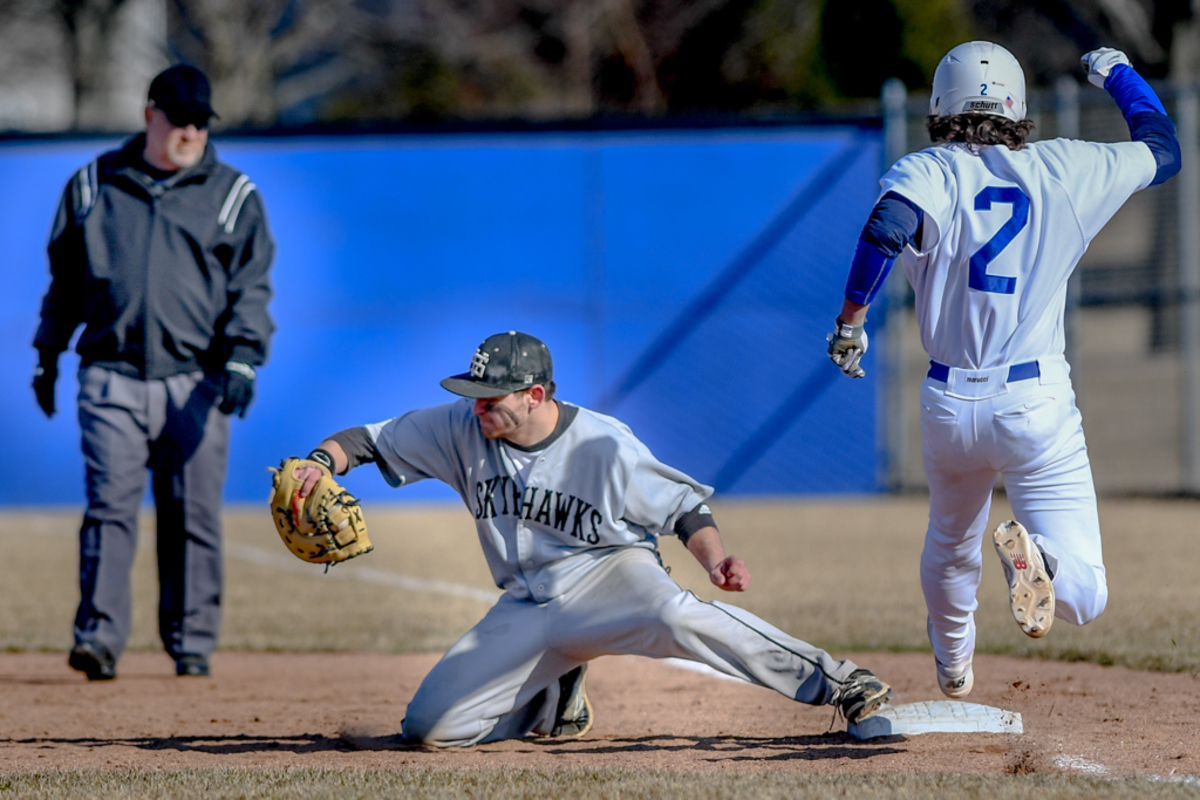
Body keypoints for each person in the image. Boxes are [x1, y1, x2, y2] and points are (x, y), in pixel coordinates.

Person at [286, 331, 891, 746]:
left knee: (682, 619)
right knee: (430, 730)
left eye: (490, 399)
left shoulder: (604, 443)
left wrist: (714, 560)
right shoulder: (458, 427)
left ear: (536, 395)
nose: (476, 410)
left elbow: (685, 507)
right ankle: (551, 700)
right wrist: (319, 461)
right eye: (471, 398)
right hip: (527, 602)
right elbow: (367, 439)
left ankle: (842, 683)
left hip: (610, 577)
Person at [825, 43, 1180, 698]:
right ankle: (1042, 563)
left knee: (951, 537)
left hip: (949, 400)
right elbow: (1164, 148)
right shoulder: (1067, 165)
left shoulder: (929, 167)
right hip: (1034, 400)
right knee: (1085, 595)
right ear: (1018, 104)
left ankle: (954, 661)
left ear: (939, 105)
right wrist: (1116, 72)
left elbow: (886, 228)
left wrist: (851, 321)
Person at [33, 64, 276, 681]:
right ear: (150, 115)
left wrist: (244, 357)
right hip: (110, 374)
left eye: (200, 122)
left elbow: (250, 288)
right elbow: (64, 282)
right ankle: (98, 641)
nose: (190, 132)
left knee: (192, 515)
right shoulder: (94, 184)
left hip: (196, 380)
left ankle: (191, 644)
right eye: (179, 119)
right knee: (108, 510)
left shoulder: (232, 193)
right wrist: (47, 352)